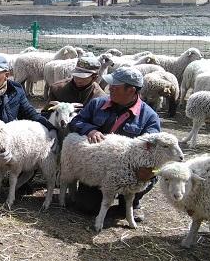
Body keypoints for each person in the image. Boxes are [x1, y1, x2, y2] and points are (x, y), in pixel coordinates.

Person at [68, 66, 161, 222]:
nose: (109, 88)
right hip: (99, 169)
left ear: (131, 90)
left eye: (115, 86)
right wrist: (90, 130)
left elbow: (156, 151)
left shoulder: (149, 117)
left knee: (146, 175)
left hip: (129, 172)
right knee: (86, 207)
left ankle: (131, 203)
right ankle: (102, 198)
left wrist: (152, 172)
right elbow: (77, 121)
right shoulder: (97, 104)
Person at [0, 53, 57, 201]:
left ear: (6, 75)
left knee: (23, 164)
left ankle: (22, 175)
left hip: (11, 149)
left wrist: (51, 128)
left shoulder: (16, 91)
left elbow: (30, 113)